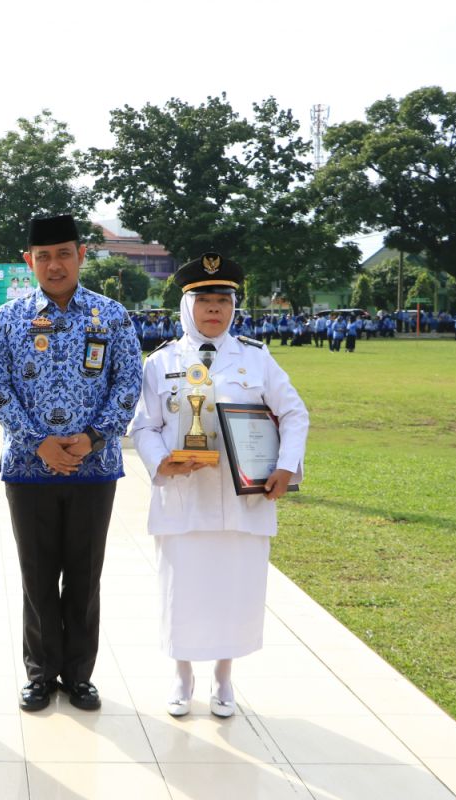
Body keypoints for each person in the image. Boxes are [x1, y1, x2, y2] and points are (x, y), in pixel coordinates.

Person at [129, 253, 308, 719]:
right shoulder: (161, 362)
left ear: (234, 306)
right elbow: (143, 426)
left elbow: (293, 414)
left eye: (223, 301)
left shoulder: (256, 357)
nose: (215, 310)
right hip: (184, 498)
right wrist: (159, 462)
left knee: (235, 590)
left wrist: (286, 467)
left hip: (240, 499)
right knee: (182, 589)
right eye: (204, 300)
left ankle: (224, 677)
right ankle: (182, 674)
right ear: (187, 306)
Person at [0, 214, 142, 712]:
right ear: (30, 261)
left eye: (64, 254)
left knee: (84, 574)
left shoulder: (111, 316)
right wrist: (38, 442)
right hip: (28, 470)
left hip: (95, 468)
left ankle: (78, 675)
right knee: (36, 574)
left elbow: (127, 383)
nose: (54, 265)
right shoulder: (6, 319)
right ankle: (39, 673)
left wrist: (92, 437)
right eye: (43, 256)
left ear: (81, 255)